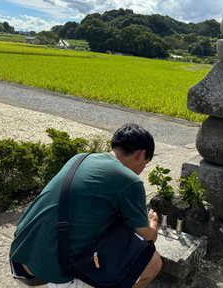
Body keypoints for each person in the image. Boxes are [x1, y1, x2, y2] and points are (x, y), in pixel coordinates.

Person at [9, 123, 162, 288]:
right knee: (153, 264)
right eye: (145, 164)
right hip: (55, 272)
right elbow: (147, 236)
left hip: (21, 255)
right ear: (141, 154)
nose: (141, 170)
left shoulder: (80, 158)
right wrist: (152, 224)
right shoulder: (130, 181)